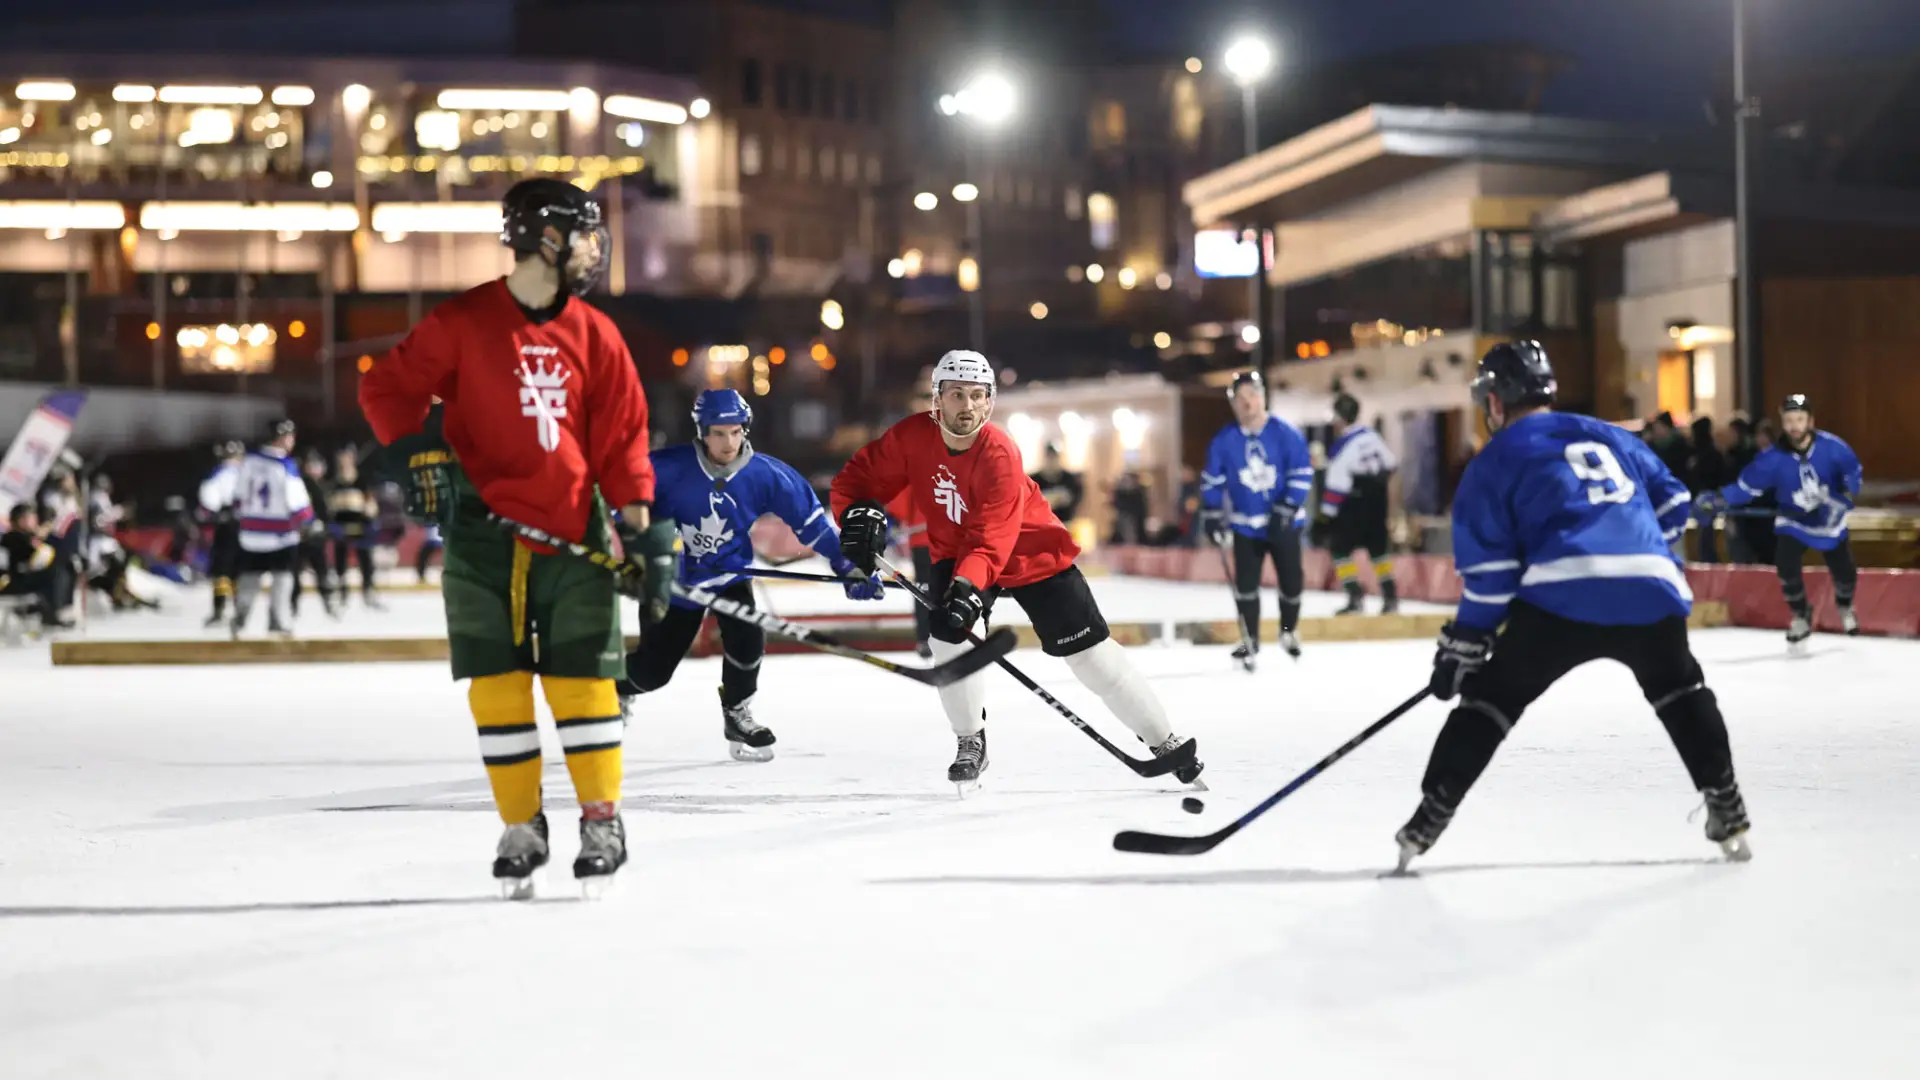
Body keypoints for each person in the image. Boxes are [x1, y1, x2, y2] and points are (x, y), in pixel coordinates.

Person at [359, 177, 677, 897]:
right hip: (481, 536)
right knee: (497, 686)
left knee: (583, 682)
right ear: (550, 236)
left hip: (573, 533)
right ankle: (520, 824)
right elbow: (386, 390)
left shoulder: (597, 335)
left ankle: (601, 820)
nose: (597, 249)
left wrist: (640, 532)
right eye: (587, 232)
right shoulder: (463, 321)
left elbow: (623, 444)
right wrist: (417, 453)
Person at [1395, 340, 1750, 872]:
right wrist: (1637, 547)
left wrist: (1464, 647)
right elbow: (1676, 503)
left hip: (1562, 597)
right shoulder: (1608, 433)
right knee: (1681, 690)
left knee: (1491, 699)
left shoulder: (1492, 462)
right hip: (1650, 587)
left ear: (1495, 402)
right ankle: (1728, 805)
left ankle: (1430, 816)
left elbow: (1491, 581)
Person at [831, 350, 1203, 789]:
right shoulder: (911, 437)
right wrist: (855, 514)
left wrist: (968, 587)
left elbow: (994, 535)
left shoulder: (999, 450)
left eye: (975, 395)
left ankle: (1163, 739)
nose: (966, 406)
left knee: (1091, 656)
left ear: (988, 402)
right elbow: (856, 481)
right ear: (937, 399)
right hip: (957, 548)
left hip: (1029, 550)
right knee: (948, 641)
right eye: (955, 395)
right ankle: (971, 740)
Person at [621, 389, 883, 760]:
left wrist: (846, 564)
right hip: (674, 586)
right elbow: (621, 508)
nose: (728, 442)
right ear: (701, 431)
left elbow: (813, 528)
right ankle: (608, 692)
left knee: (747, 642)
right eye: (718, 433)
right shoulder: (665, 467)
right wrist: (650, 545)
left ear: (746, 429)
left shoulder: (768, 475)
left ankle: (737, 714)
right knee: (651, 674)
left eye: (735, 431)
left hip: (728, 577)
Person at [1699, 394, 1862, 650]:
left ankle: (1844, 606)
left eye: (1799, 419)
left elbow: (1853, 473)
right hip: (1793, 521)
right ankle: (1800, 615)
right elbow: (1747, 487)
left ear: (1811, 420)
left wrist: (1844, 493)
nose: (1794, 425)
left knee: (1845, 573)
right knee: (1785, 565)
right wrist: (1720, 500)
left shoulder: (1834, 448)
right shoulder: (1772, 458)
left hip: (1829, 522)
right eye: (1788, 420)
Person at [1199, 370, 1313, 666]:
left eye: (1252, 395)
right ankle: (1250, 639)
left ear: (1262, 397)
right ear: (1233, 404)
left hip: (1284, 524)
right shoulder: (1225, 440)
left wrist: (1287, 507)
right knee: (1246, 585)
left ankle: (1288, 631)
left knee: (1291, 582)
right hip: (1246, 526)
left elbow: (1301, 472)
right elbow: (1212, 479)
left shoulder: (1285, 433)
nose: (1247, 403)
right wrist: (1212, 514)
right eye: (1240, 398)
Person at [208, 418, 314, 639]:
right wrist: (309, 521)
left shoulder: (248, 462)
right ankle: (278, 620)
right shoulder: (285, 465)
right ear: (283, 437)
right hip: (281, 534)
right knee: (283, 578)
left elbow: (237, 497)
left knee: (249, 577)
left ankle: (240, 617)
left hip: (251, 533)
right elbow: (296, 500)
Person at [1313, 393, 1399, 615]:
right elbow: (1391, 463)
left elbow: (1337, 485)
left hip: (1354, 501)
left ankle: (1354, 595)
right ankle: (1390, 597)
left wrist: (1325, 516)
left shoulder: (1341, 446)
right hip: (1378, 499)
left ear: (1340, 418)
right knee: (1378, 550)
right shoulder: (1372, 436)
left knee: (1340, 549)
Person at [326, 449, 383, 610]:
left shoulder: (361, 481)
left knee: (365, 559)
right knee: (340, 560)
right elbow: (330, 506)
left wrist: (370, 519)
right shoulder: (334, 483)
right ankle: (342, 590)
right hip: (341, 527)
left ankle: (368, 589)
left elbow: (370, 503)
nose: (344, 463)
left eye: (347, 459)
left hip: (360, 525)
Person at [197, 441, 244, 626]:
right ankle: (241, 611)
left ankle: (219, 611)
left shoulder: (217, 474)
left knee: (221, 569)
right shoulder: (246, 474)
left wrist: (211, 515)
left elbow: (208, 501)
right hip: (243, 525)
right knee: (238, 570)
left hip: (224, 525)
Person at [885, 487, 935, 658]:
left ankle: (925, 639)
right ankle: (950, 635)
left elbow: (898, 508)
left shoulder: (916, 469)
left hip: (924, 542)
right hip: (949, 541)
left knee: (924, 591)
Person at [292, 449, 339, 619]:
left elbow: (326, 512)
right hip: (299, 536)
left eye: (318, 465)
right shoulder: (301, 484)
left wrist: (326, 525)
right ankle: (292, 607)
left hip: (316, 538)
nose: (316, 469)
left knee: (322, 571)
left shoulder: (323, 486)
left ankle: (329, 603)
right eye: (312, 465)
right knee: (294, 574)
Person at [1030, 443, 1084, 523]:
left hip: (1065, 524)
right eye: (1049, 457)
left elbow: (1076, 499)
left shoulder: (1070, 479)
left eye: (1054, 457)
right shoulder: (1034, 480)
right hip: (1042, 525)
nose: (1052, 461)